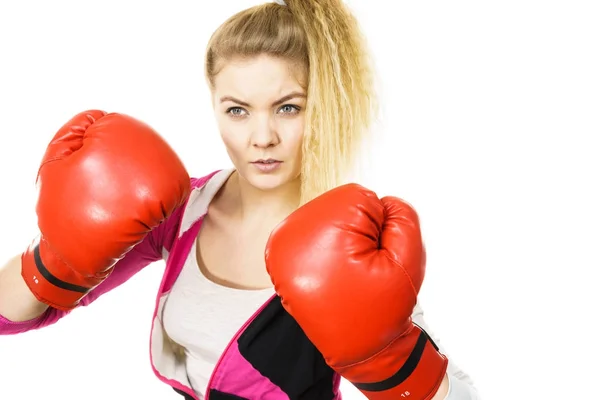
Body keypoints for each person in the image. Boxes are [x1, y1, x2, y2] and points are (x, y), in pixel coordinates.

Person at [0, 1, 480, 399]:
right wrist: (55, 255)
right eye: (238, 110)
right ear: (214, 106)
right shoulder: (181, 209)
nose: (262, 137)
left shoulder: (348, 241)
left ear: (321, 107)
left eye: (288, 107)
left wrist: (388, 355)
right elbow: (16, 317)